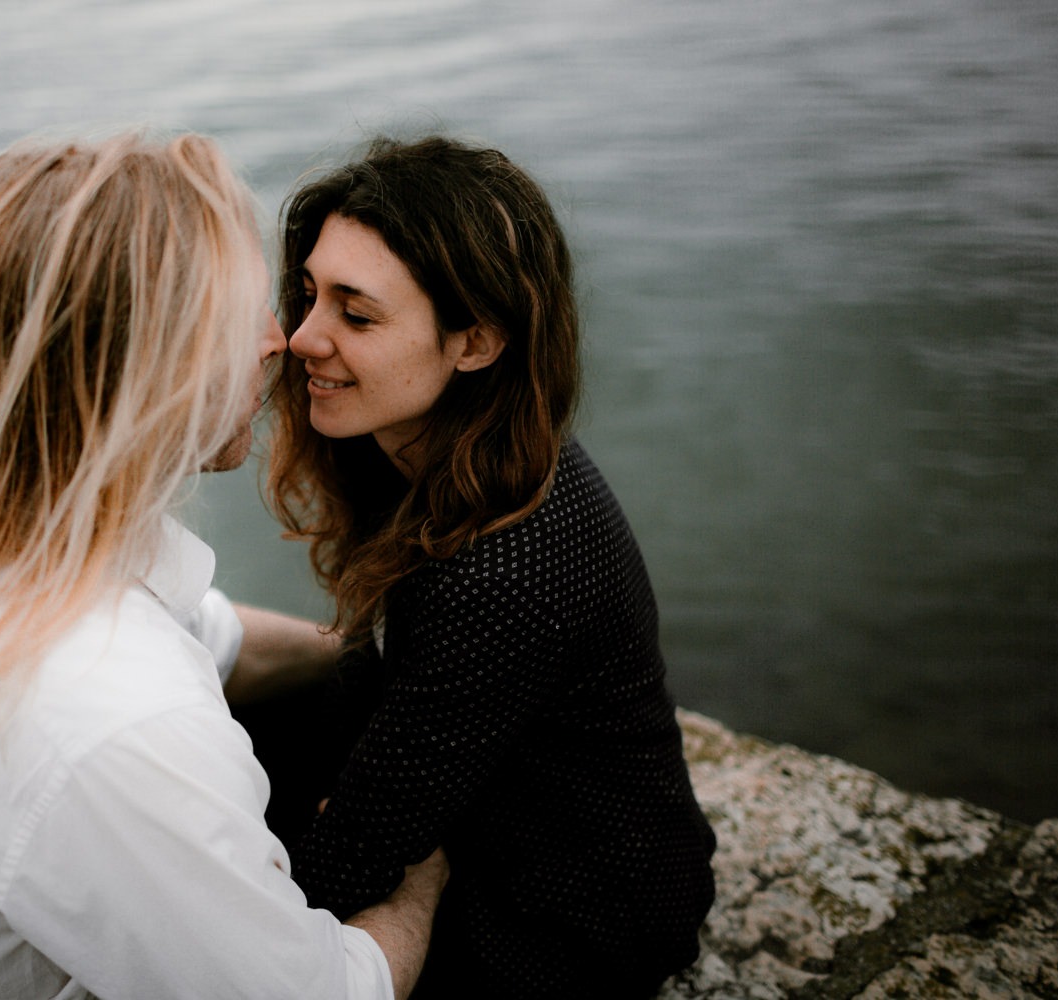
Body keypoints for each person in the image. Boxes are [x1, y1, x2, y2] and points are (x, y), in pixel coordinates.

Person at [0, 130, 447, 1000]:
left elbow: (213, 636)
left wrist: (382, 660)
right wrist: (425, 873)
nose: (279, 341)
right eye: (247, 312)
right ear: (151, 367)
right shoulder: (113, 714)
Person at [249, 135, 717, 998]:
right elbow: (378, 681)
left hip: (568, 915)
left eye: (356, 314)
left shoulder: (500, 571)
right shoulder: (459, 456)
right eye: (309, 295)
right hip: (499, 819)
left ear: (475, 343)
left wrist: (224, 934)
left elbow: (367, 840)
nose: (301, 337)